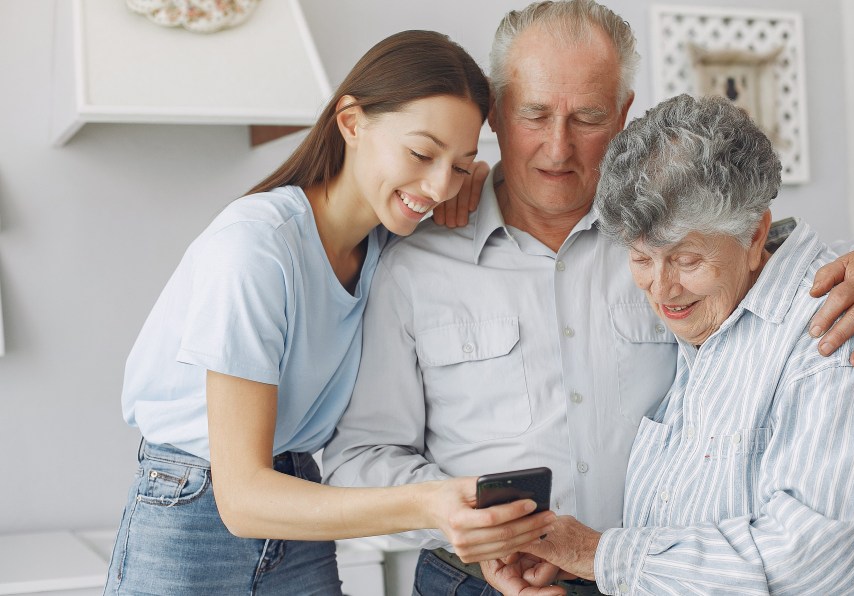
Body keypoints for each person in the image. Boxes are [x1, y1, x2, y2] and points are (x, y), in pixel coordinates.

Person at [321, 2, 854, 594]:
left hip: (664, 576)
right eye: (534, 115)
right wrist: (475, 523)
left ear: (622, 113)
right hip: (478, 582)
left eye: (586, 117)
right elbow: (361, 458)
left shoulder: (666, 232)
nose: (557, 149)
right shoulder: (413, 261)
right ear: (496, 113)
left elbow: (775, 267)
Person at [103, 30, 554, 596]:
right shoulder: (255, 250)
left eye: (461, 165)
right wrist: (432, 504)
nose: (440, 185)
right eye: (421, 153)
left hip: (300, 498)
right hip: (194, 507)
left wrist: (478, 182)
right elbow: (242, 499)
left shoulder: (389, 247)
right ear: (351, 121)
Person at [489, 93, 854, 596]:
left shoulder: (837, 337)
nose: (662, 290)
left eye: (686, 260)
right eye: (641, 259)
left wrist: (601, 555)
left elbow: (816, 573)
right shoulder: (713, 318)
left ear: (755, 238)